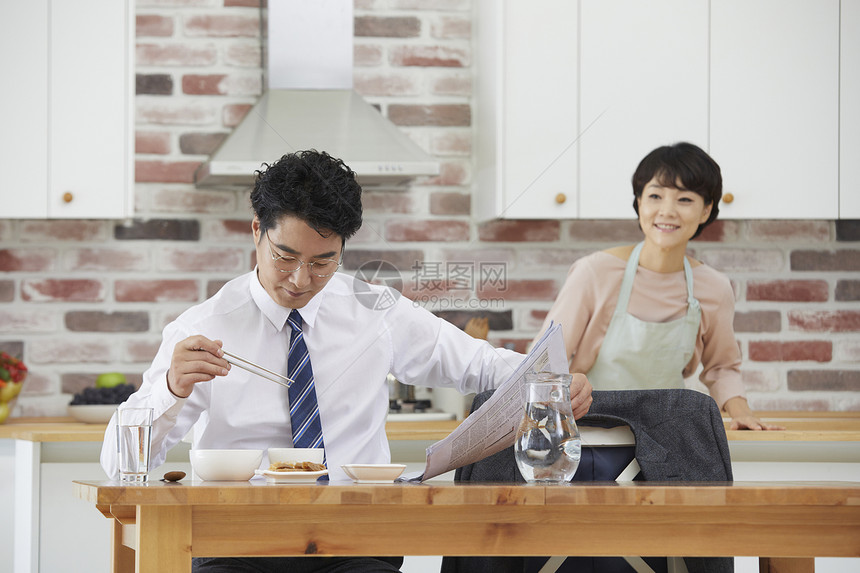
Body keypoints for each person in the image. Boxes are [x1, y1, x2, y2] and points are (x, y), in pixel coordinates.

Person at [100, 149, 592, 573]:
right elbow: (117, 465)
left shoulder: (373, 309)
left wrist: (550, 381)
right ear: (256, 232)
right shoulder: (202, 328)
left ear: (342, 249)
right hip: (233, 540)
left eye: (322, 261)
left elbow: (479, 365)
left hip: (357, 540)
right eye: (284, 256)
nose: (299, 279)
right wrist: (170, 386)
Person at [533, 142, 781, 431]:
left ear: (706, 210)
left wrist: (741, 413)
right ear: (639, 203)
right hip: (589, 433)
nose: (667, 211)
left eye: (685, 200)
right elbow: (543, 363)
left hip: (667, 433)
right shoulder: (594, 272)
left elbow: (722, 367)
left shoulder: (714, 287)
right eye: (655, 196)